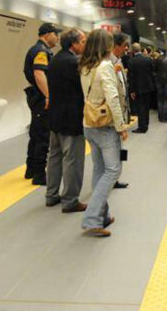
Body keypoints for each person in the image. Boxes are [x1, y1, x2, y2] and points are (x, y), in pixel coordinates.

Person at [79, 29, 129, 237]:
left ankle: (102, 216)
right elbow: (113, 98)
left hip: (89, 124)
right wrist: (121, 126)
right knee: (113, 171)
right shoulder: (105, 66)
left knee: (100, 170)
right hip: (105, 126)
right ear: (106, 46)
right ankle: (91, 220)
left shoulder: (84, 67)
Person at [45, 28, 88, 211]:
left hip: (55, 117)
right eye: (83, 41)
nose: (85, 45)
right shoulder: (74, 62)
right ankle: (70, 200)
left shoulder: (54, 59)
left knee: (54, 156)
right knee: (72, 159)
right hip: (72, 118)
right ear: (74, 44)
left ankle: (51, 195)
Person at [23, 23, 61, 185]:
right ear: (47, 34)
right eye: (55, 34)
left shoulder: (41, 50)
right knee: (42, 136)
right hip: (40, 98)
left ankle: (31, 169)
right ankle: (39, 174)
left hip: (37, 96)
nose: (57, 37)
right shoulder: (41, 51)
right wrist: (48, 96)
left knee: (35, 132)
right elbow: (39, 74)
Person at [110, 33, 131, 189]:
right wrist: (120, 124)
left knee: (119, 148)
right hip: (113, 117)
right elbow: (112, 95)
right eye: (124, 45)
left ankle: (115, 178)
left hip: (121, 113)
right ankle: (111, 179)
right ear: (116, 45)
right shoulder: (108, 63)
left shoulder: (119, 61)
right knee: (113, 150)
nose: (126, 48)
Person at [128, 43, 155, 133]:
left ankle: (141, 127)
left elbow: (131, 77)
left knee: (140, 107)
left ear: (133, 51)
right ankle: (146, 124)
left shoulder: (131, 61)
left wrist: (131, 90)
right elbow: (152, 72)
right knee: (146, 107)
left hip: (138, 88)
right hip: (148, 86)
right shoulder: (148, 59)